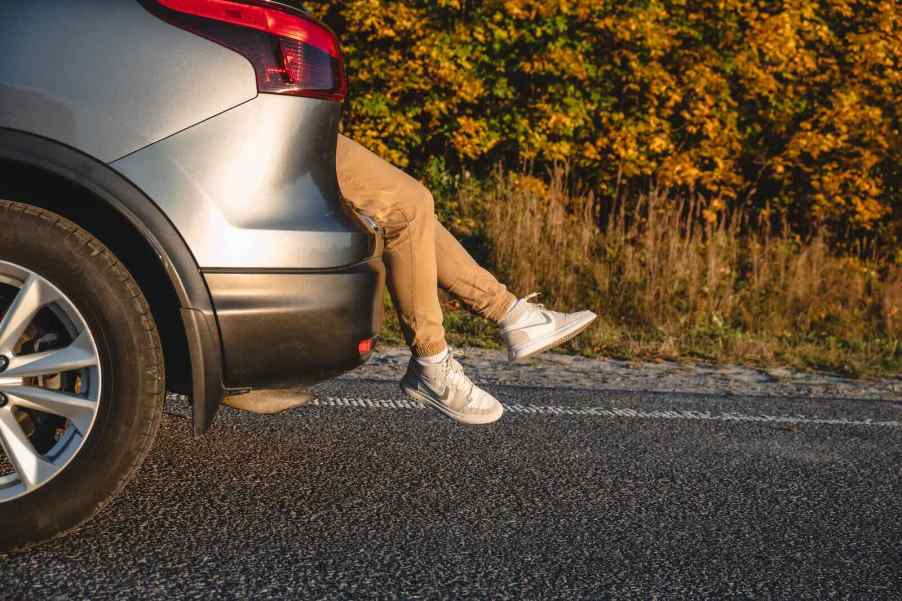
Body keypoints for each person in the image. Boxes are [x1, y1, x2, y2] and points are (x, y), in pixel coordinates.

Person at [336, 134, 596, 425]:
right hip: (285, 120)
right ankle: (433, 363)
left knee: (411, 212)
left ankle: (513, 315)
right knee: (410, 206)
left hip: (297, 115)